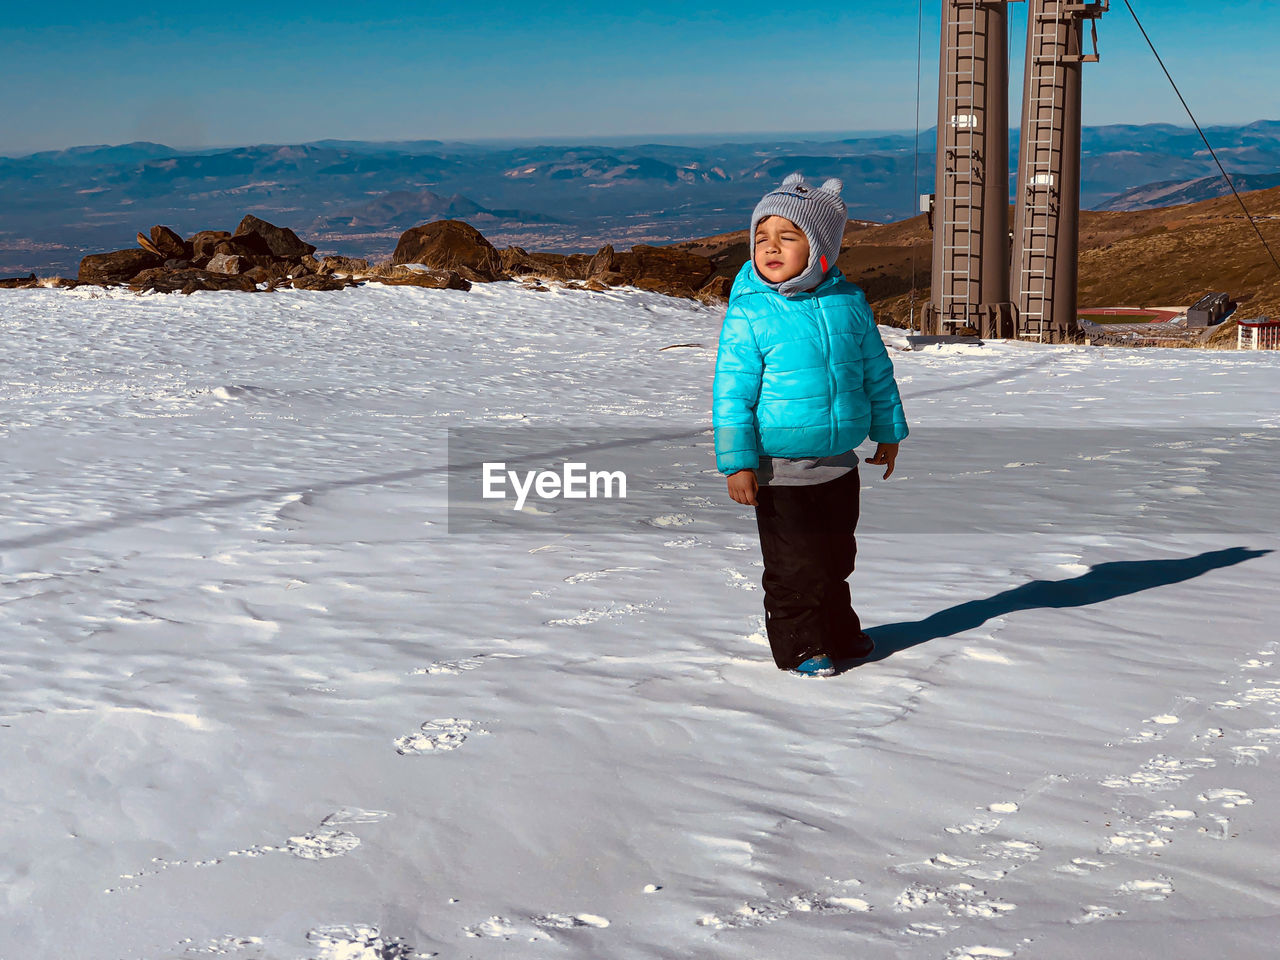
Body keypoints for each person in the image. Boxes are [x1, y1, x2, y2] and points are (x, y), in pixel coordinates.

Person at [712, 172, 909, 677]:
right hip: (779, 472)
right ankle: (802, 646)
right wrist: (738, 463)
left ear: (821, 248)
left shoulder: (849, 303)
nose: (770, 247)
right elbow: (732, 396)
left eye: (788, 236)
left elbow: (876, 373)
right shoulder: (750, 315)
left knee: (836, 559)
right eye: (761, 237)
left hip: (839, 465)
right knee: (794, 568)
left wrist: (888, 432)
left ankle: (838, 632)